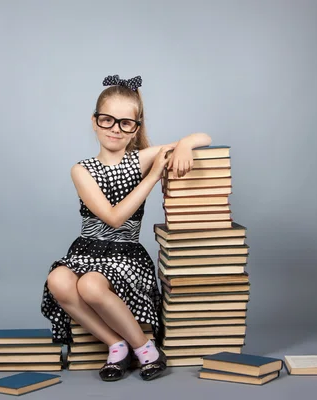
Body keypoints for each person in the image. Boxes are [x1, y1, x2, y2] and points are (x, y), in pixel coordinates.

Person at [40, 74, 212, 382]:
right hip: (86, 250)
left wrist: (185, 145)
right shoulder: (81, 170)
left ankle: (146, 349)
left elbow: (205, 137)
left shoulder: (140, 159)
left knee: (91, 286)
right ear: (94, 122)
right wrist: (153, 175)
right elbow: (113, 218)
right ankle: (115, 344)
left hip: (126, 254)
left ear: (135, 129)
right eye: (107, 120)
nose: (115, 129)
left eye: (125, 123)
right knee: (58, 280)